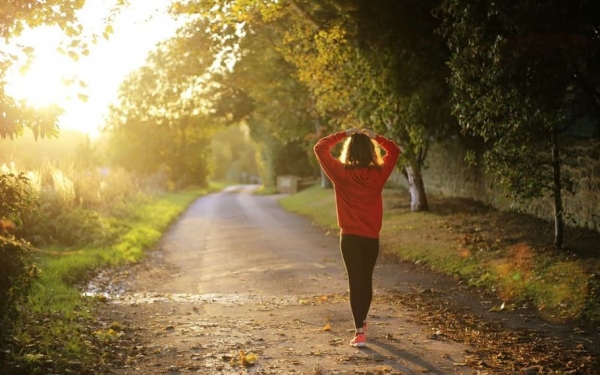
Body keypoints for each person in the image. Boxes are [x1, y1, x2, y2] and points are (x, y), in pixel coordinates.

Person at [314, 127, 401, 348]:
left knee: (355, 281)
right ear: (371, 151)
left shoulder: (340, 173)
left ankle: (359, 331)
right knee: (366, 279)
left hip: (350, 238)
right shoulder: (379, 174)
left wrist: (343, 134)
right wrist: (376, 136)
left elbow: (320, 148)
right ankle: (362, 322)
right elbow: (394, 150)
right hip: (371, 237)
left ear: (349, 150)